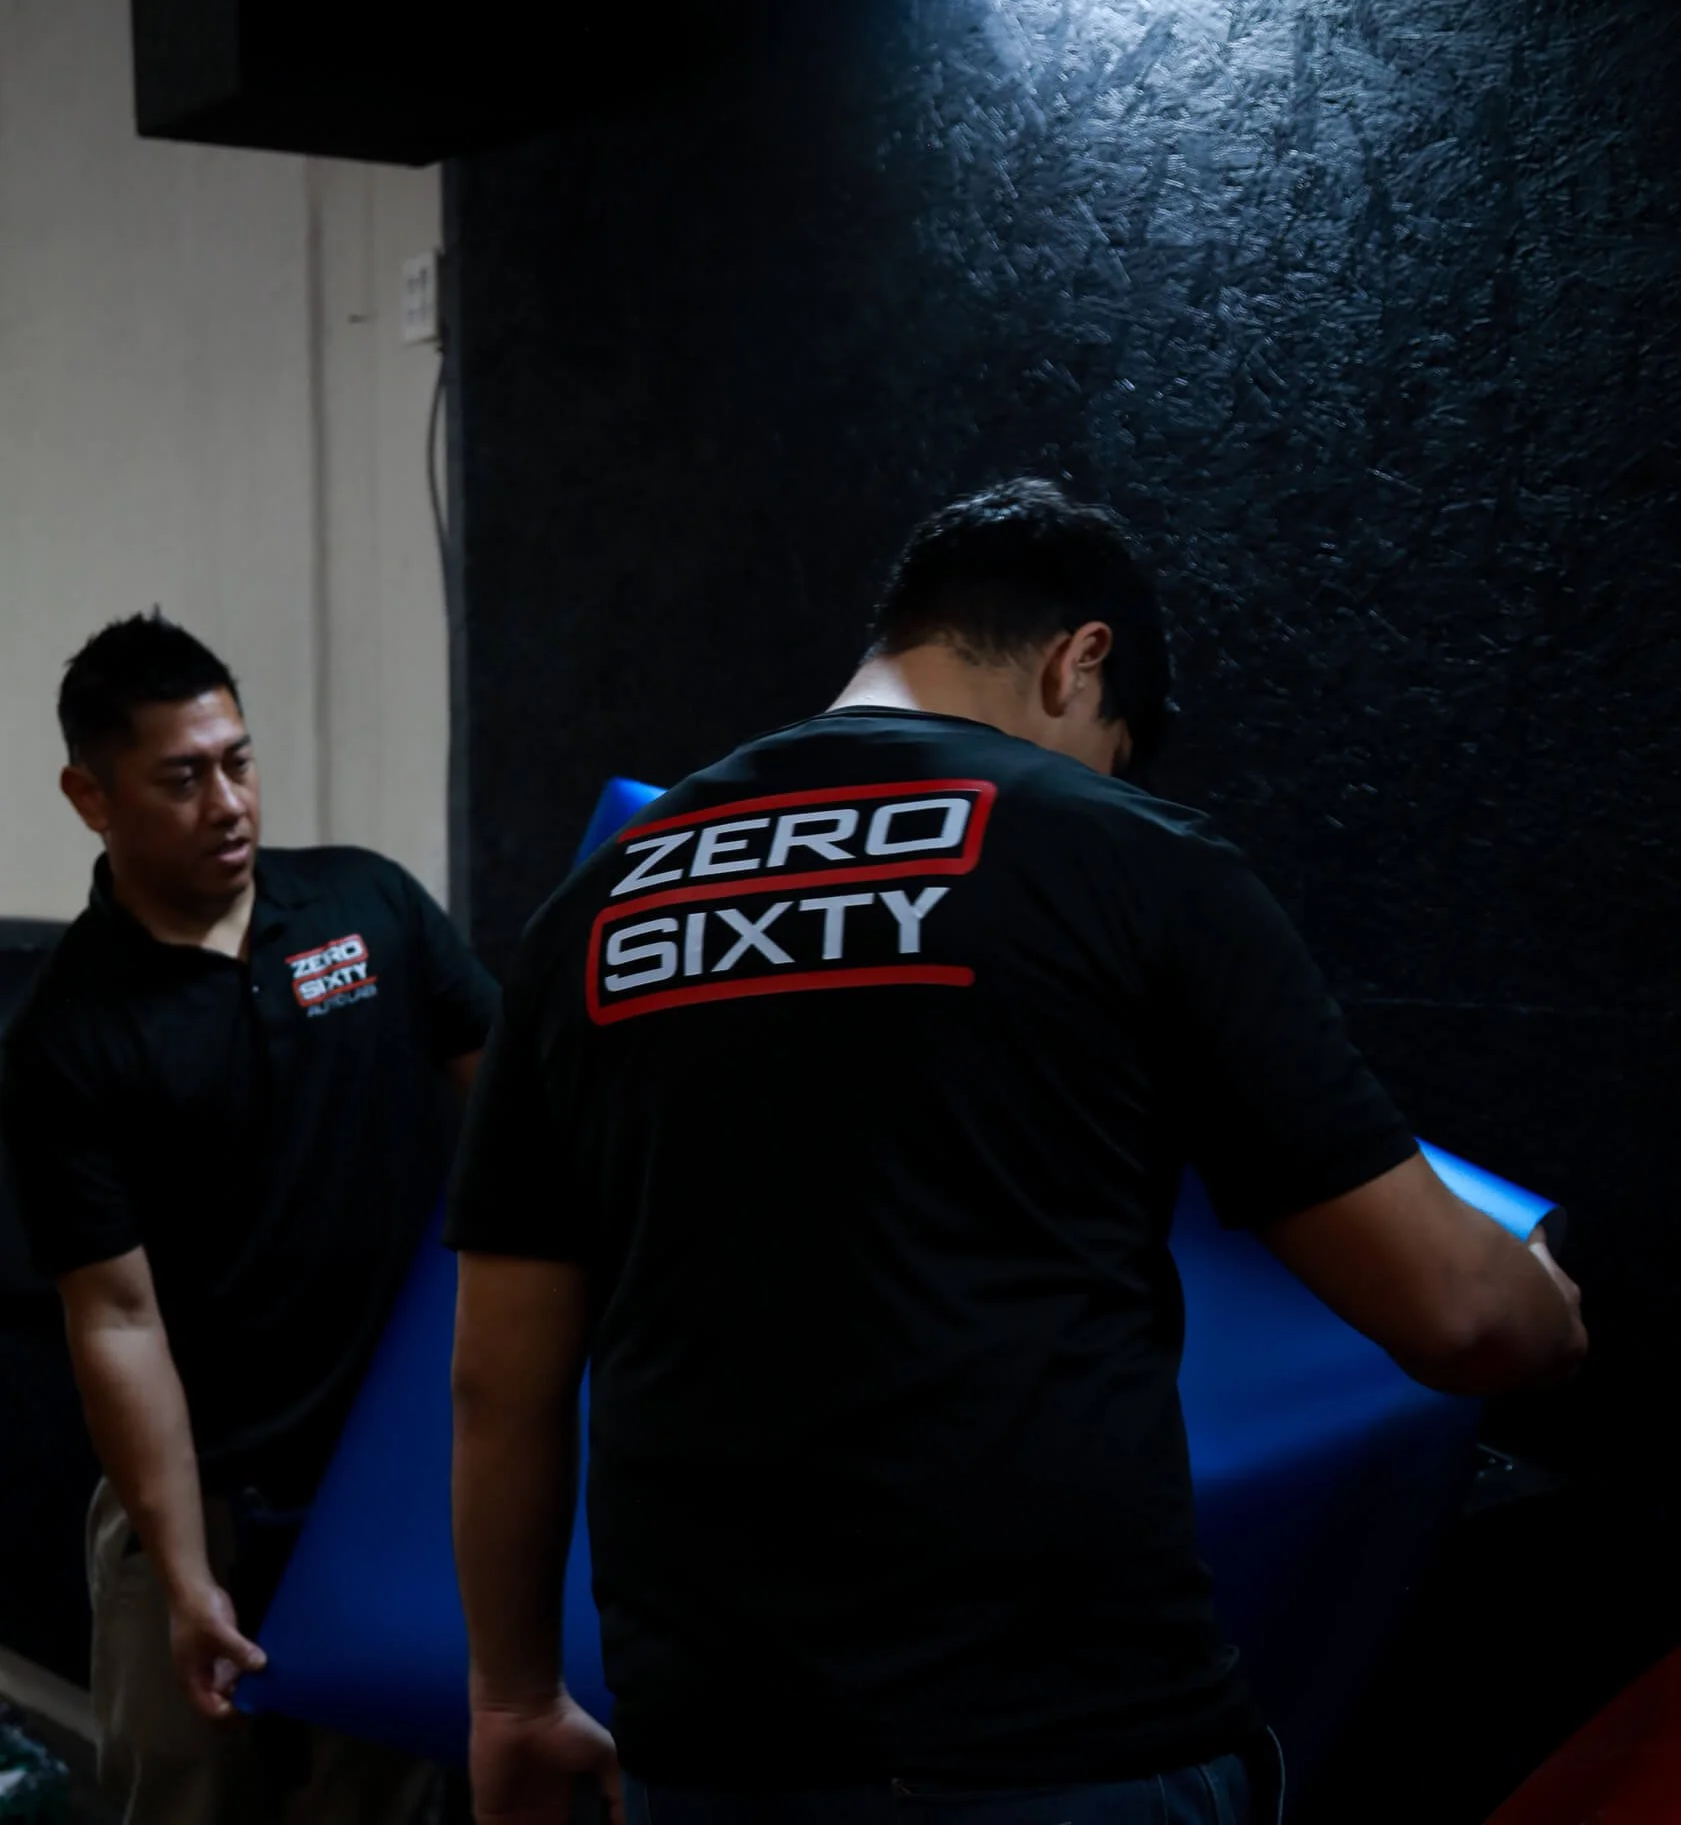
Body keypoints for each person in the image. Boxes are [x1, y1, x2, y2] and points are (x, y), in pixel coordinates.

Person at [445, 480, 1587, 1825]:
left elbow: (492, 1379)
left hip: (716, 1760)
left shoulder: (603, 899)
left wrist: (513, 1697)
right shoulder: (1126, 857)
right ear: (1077, 659)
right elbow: (1461, 1322)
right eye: (1107, 745)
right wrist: (1544, 1302)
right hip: (1066, 1753)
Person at [0, 612, 500, 1825]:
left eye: (239, 759)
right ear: (90, 794)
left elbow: (525, 1119)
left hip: (384, 1480)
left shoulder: (366, 908)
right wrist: (181, 1575)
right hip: (200, 1495)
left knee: (377, 1800)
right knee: (182, 1796)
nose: (227, 800)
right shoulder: (71, 1033)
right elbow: (116, 1321)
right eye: (181, 776)